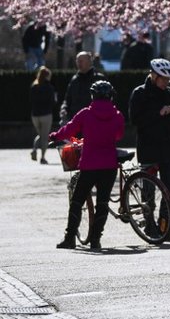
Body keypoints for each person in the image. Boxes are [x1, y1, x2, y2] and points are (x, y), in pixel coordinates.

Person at [49, 80, 124, 249]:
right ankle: (95, 240)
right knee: (103, 203)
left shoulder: (85, 114)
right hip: (109, 165)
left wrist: (54, 136)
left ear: (93, 96)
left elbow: (69, 129)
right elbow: (118, 135)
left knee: (77, 200)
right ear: (111, 96)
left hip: (90, 164)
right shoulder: (117, 115)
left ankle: (69, 239)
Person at [129, 58, 170, 240]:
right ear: (153, 75)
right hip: (149, 148)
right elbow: (135, 120)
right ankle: (150, 226)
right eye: (163, 78)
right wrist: (158, 113)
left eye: (168, 79)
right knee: (149, 191)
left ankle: (165, 227)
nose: (166, 82)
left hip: (169, 149)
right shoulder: (140, 93)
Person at [60, 51, 106, 126]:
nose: (79, 63)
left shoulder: (99, 79)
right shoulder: (74, 80)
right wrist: (64, 109)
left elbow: (107, 101)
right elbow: (68, 99)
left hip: (93, 123)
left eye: (81, 61)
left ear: (89, 62)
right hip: (76, 122)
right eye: (77, 61)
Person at [29, 66, 57, 164]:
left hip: (35, 115)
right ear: (47, 76)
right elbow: (53, 102)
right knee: (44, 137)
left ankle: (34, 149)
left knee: (41, 134)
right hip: (46, 114)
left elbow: (31, 100)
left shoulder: (34, 86)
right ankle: (43, 157)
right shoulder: (50, 88)